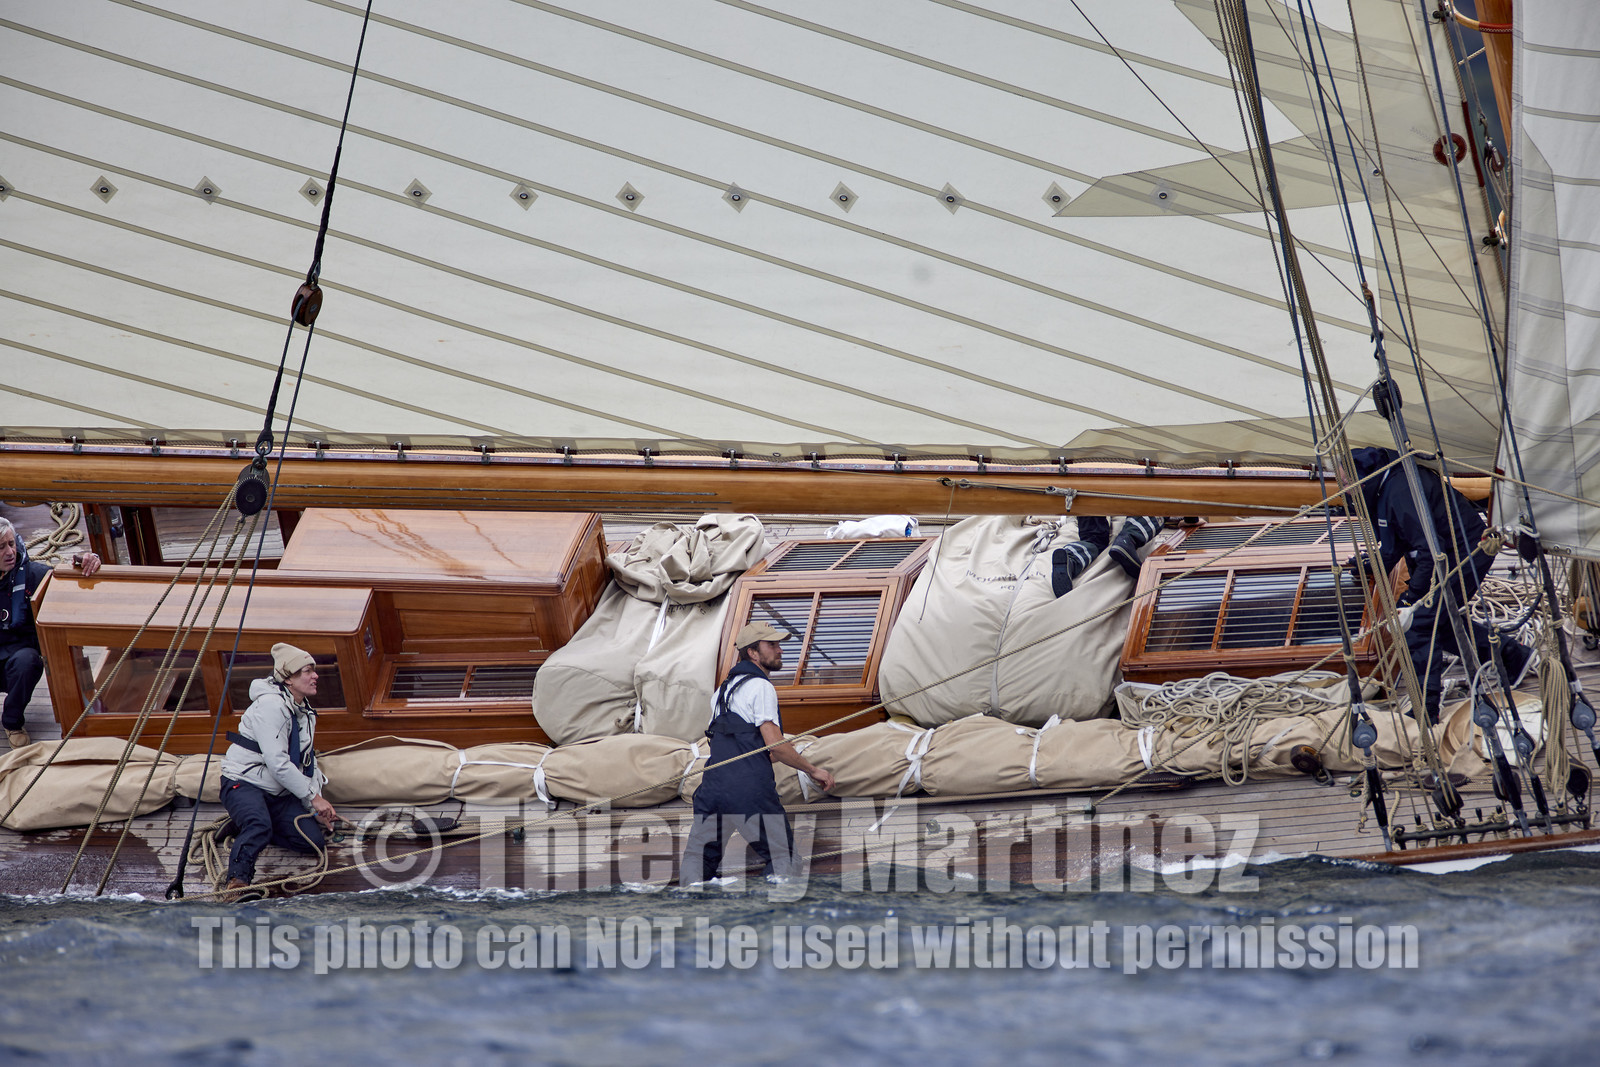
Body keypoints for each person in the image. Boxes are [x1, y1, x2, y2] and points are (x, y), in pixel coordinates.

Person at [1348, 447, 1532, 722]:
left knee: (1419, 625)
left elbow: (1431, 552)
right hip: (1447, 554)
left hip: (1464, 554)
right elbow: (1397, 542)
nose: (1344, 490)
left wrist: (1412, 598)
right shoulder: (1387, 487)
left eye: (1346, 483)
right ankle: (1511, 655)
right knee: (1439, 621)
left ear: (1362, 477)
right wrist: (1370, 566)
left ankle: (1426, 710)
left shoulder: (1400, 492)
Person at [681, 622, 836, 884]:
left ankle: (689, 908)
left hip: (713, 790)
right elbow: (774, 746)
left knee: (700, 861)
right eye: (772, 645)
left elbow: (743, 745)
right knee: (783, 859)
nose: (780, 650)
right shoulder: (761, 687)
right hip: (748, 790)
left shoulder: (721, 692)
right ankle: (765, 919)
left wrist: (777, 752)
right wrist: (813, 770)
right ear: (753, 653)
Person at [217, 642, 338, 901]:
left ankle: (247, 826)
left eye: (313, 670)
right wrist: (315, 799)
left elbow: (307, 762)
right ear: (288, 678)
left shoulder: (304, 710)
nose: (315, 675)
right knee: (258, 825)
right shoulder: (271, 706)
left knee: (311, 840)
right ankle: (236, 883)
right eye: (307, 671)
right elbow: (278, 763)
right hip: (244, 782)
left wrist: (311, 805)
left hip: (277, 791)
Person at [0, 516, 101, 749]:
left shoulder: (33, 575)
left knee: (28, 662)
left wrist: (90, 559)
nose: (10, 552)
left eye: (12, 544)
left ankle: (12, 722)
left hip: (17, 662)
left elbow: (66, 579)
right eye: (1, 547)